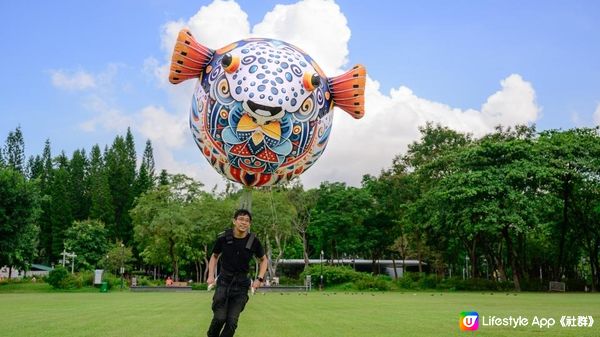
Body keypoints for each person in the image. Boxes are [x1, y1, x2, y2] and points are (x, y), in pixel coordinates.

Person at [206, 209, 268, 337]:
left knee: (232, 322)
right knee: (220, 318)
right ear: (234, 221)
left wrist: (259, 279)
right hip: (224, 282)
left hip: (241, 285)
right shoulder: (223, 238)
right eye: (241, 219)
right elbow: (214, 256)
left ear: (249, 224)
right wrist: (211, 275)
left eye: (247, 221)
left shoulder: (253, 241)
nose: (243, 223)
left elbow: (263, 260)